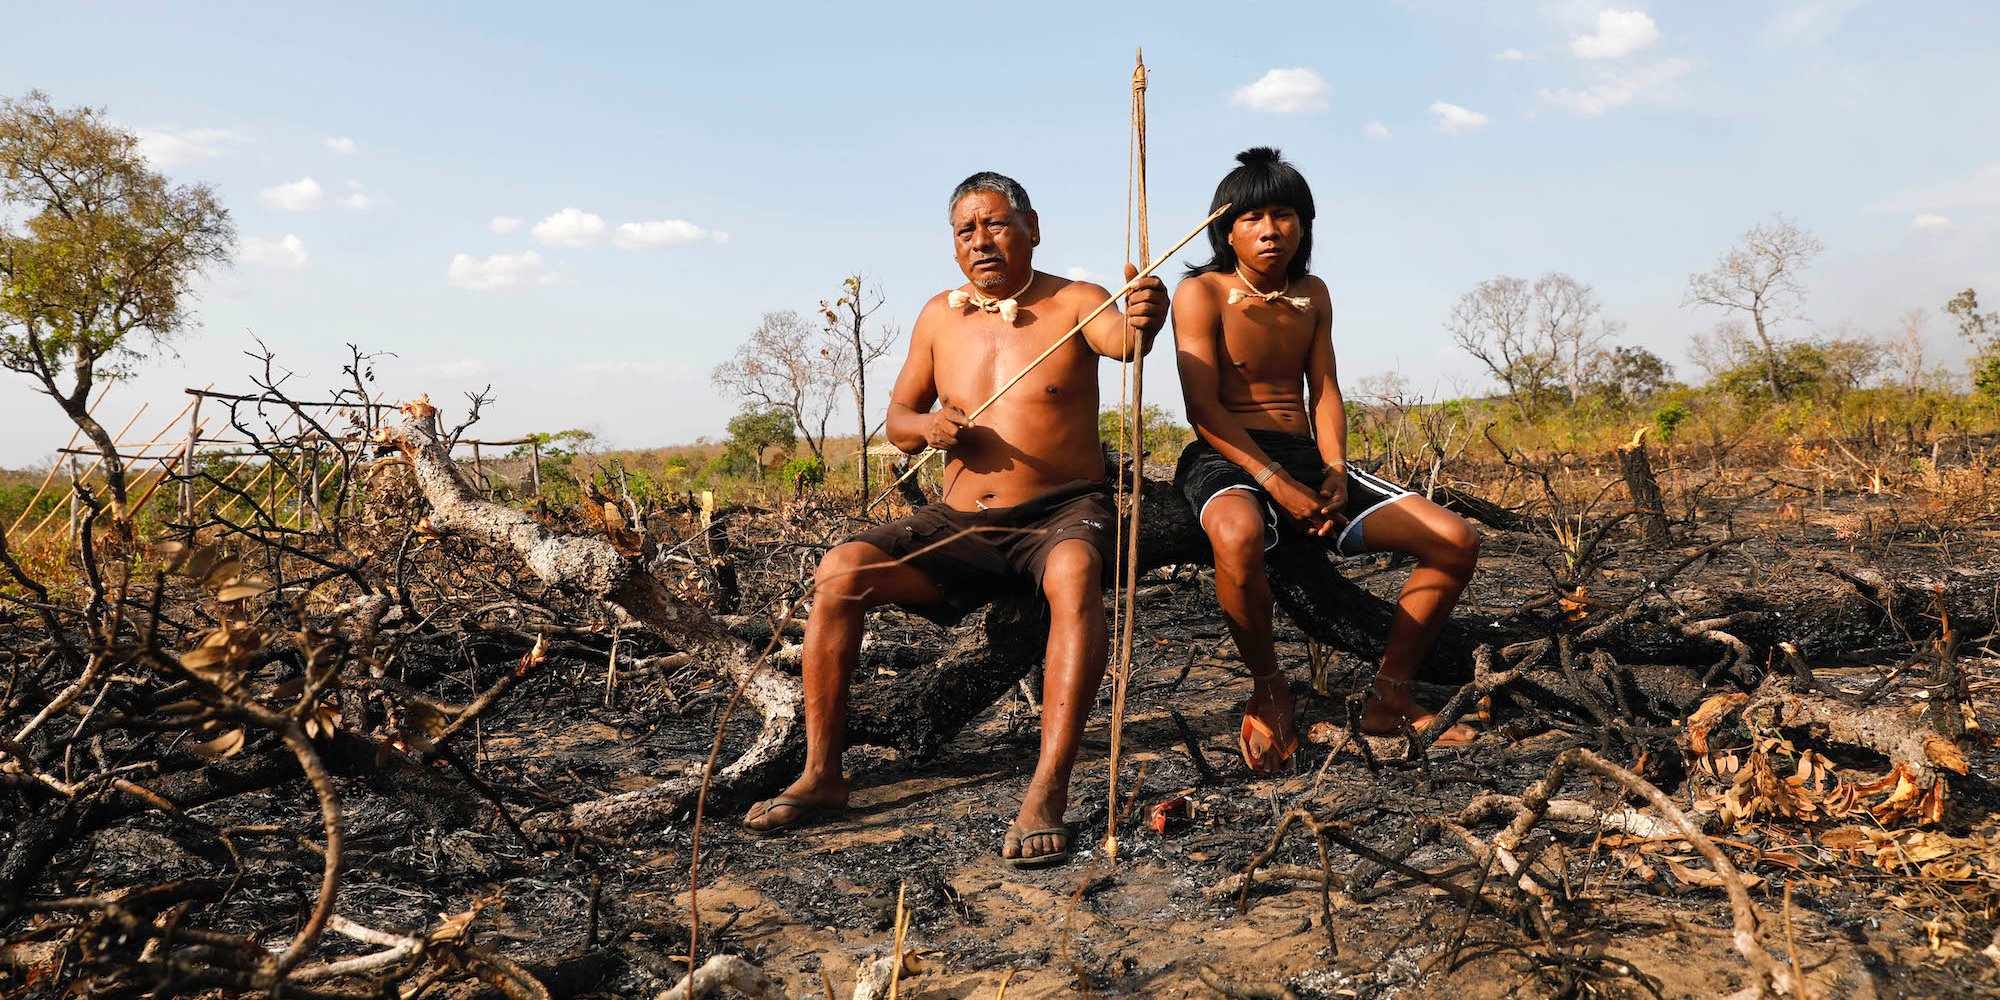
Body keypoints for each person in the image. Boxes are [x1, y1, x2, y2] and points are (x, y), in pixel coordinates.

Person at [742, 171, 1168, 868]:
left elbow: (1127, 343)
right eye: (966, 230)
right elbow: (898, 419)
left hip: (1060, 515)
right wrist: (929, 426)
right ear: (953, 247)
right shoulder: (940, 315)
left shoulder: (1078, 300)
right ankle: (823, 774)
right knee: (840, 570)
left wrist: (1150, 307)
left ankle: (1047, 792)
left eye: (997, 224)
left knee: (1077, 570)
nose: (982, 240)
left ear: (1033, 227)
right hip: (962, 524)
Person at [1172, 148, 1480, 772]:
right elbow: (1203, 409)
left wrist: (1335, 470)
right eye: (1252, 217)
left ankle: (1390, 696)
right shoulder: (1200, 292)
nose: (1269, 230)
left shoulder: (1312, 293)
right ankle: (1269, 689)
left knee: (1454, 539)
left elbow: (1327, 390)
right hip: (1229, 456)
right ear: (1224, 228)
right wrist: (1276, 484)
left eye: (1283, 215)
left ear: (1304, 225)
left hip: (1307, 457)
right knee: (1238, 533)